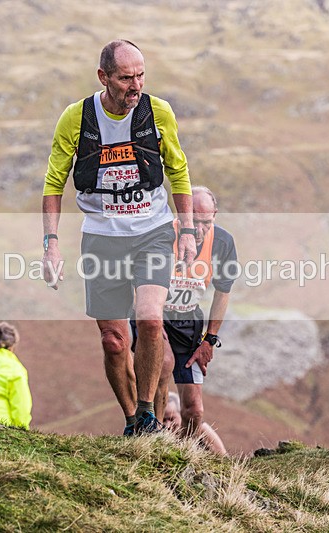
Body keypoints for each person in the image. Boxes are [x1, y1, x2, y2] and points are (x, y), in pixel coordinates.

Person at [41, 39, 196, 435]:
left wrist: (189, 231)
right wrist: (51, 244)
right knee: (113, 340)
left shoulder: (157, 112)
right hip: (101, 237)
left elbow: (178, 172)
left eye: (141, 75)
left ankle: (147, 413)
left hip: (152, 232)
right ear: (103, 77)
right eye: (126, 78)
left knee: (149, 318)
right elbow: (54, 183)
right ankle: (133, 422)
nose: (136, 85)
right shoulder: (76, 119)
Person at [133, 186, 238, 441]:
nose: (200, 230)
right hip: (153, 316)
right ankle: (152, 441)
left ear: (215, 215)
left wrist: (209, 339)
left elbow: (223, 292)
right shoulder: (161, 236)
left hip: (188, 322)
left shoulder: (222, 243)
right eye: (195, 222)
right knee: (164, 364)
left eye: (207, 222)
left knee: (193, 409)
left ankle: (185, 454)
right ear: (182, 216)